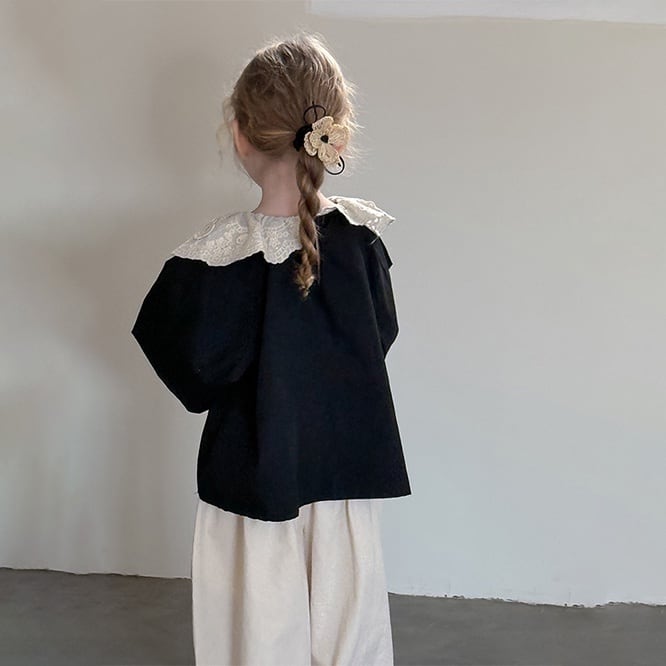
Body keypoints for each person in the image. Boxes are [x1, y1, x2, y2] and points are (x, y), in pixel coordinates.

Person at [131, 31, 411, 666]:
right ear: (333, 134)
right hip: (342, 481)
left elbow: (190, 370)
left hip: (250, 482)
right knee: (347, 633)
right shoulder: (361, 240)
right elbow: (379, 339)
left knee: (257, 634)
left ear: (241, 135)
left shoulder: (219, 256)